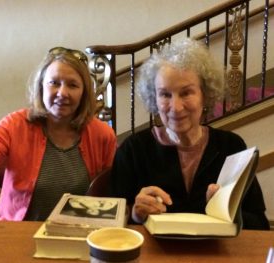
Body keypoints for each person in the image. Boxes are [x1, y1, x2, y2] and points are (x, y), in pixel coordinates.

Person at [110, 38, 270, 230]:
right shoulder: (134, 149)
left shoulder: (231, 147)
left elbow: (259, 225)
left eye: (186, 93)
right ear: (154, 97)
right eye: (165, 94)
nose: (176, 107)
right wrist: (136, 214)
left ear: (206, 94)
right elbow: (112, 223)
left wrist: (228, 210)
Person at [0, 47, 117, 221]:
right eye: (54, 83)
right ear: (41, 86)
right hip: (21, 235)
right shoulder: (14, 125)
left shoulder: (102, 134)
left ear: (84, 93)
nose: (62, 93)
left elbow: (111, 194)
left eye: (72, 85)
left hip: (79, 235)